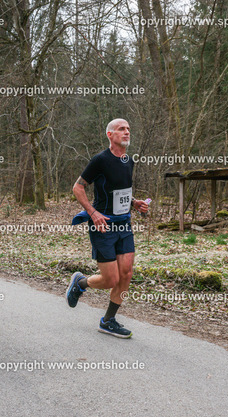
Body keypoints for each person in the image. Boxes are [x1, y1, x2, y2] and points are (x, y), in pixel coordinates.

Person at [66, 118, 149, 338]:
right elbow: (78, 187)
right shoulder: (100, 160)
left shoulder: (128, 161)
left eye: (128, 129)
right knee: (111, 279)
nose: (127, 132)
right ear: (110, 135)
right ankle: (80, 283)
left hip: (124, 224)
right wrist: (93, 213)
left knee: (127, 274)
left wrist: (134, 202)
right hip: (103, 226)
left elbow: (119, 191)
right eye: (121, 129)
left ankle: (108, 320)